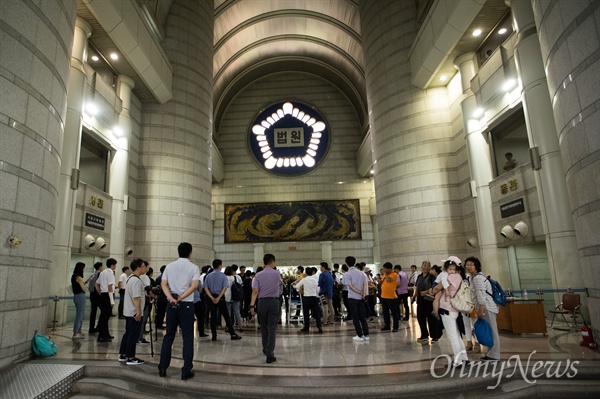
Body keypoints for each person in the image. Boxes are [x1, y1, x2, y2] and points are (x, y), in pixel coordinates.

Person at [158, 242, 200, 380]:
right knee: (187, 337)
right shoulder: (193, 267)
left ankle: (163, 368)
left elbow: (163, 284)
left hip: (172, 305)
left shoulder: (169, 266)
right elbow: (194, 286)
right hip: (186, 305)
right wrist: (181, 297)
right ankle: (186, 370)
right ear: (190, 252)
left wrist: (171, 298)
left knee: (168, 335)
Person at [435, 259, 469, 368]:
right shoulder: (459, 276)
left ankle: (457, 361)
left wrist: (433, 290)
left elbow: (436, 288)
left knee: (453, 337)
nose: (452, 271)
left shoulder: (449, 277)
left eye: (452, 269)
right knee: (457, 336)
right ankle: (464, 358)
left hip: (447, 309)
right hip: (454, 310)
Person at [466, 256, 500, 361]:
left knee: (492, 331)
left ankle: (494, 355)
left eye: (472, 264)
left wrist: (480, 309)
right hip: (485, 307)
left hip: (486, 308)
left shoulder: (477, 278)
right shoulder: (474, 277)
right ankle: (491, 353)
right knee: (489, 330)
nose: (469, 266)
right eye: (467, 264)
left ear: (477, 266)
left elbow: (481, 295)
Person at [250, 253, 283, 364]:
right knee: (272, 328)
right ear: (273, 262)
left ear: (264, 262)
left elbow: (255, 291)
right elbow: (279, 286)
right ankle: (270, 354)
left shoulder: (258, 275)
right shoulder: (277, 274)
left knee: (264, 327)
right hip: (274, 302)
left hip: (262, 302)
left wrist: (251, 305)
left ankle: (265, 349)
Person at [204, 259, 242, 341]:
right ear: (220, 266)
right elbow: (225, 287)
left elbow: (205, 287)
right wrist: (219, 297)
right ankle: (233, 334)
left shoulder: (208, 276)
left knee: (213, 317)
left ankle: (214, 336)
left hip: (211, 298)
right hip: (220, 297)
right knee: (226, 316)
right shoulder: (222, 276)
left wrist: (211, 297)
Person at [118, 258, 147, 365]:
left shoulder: (130, 278)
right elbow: (136, 297)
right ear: (139, 268)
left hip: (129, 311)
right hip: (134, 312)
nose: (145, 268)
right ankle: (131, 357)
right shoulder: (136, 281)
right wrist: (139, 312)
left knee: (128, 333)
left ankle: (123, 354)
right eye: (144, 266)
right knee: (133, 335)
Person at [342, 256, 369, 342]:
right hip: (361, 298)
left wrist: (359, 292)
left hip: (352, 298)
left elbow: (350, 286)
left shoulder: (347, 274)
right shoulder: (362, 273)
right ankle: (366, 334)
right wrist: (363, 293)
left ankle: (359, 335)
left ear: (346, 264)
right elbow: (365, 284)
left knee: (355, 317)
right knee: (362, 317)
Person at [414, 260, 438, 343]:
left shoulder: (432, 277)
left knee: (431, 318)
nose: (426, 267)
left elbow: (435, 288)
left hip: (429, 299)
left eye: (428, 265)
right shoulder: (419, 276)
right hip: (420, 299)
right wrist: (414, 296)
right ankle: (424, 334)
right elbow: (417, 287)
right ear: (421, 266)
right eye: (424, 265)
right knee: (420, 317)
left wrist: (426, 292)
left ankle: (434, 336)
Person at [295, 267, 323, 333]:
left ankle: (306, 327)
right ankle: (319, 327)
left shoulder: (304, 280)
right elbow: (318, 289)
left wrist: (299, 290)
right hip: (314, 298)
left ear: (306, 273)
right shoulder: (315, 280)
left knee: (306, 313)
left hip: (306, 298)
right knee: (316, 313)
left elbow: (297, 286)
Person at [96, 258, 117, 342]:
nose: (115, 266)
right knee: (105, 317)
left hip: (103, 295)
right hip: (108, 295)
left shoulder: (102, 272)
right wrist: (112, 300)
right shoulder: (110, 273)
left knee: (104, 316)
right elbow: (110, 287)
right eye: (115, 265)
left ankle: (106, 334)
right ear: (112, 265)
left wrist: (100, 292)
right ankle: (102, 335)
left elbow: (96, 284)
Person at [380, 262, 399, 332]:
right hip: (383, 296)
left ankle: (395, 326)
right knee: (385, 312)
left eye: (385, 269)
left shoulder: (394, 274)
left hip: (391, 297)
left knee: (394, 312)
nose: (384, 270)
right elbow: (382, 281)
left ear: (389, 269)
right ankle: (387, 325)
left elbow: (388, 279)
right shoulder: (385, 274)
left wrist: (385, 273)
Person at [224, 265, 243, 333]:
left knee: (228, 313)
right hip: (235, 296)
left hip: (226, 297)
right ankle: (240, 326)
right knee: (237, 312)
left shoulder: (224, 278)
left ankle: (228, 326)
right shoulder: (235, 278)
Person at [71, 262, 87, 340]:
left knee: (80, 314)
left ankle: (78, 331)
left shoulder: (74, 276)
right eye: (84, 268)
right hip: (80, 296)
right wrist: (85, 288)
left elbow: (81, 285)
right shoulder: (79, 277)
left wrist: (87, 281)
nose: (84, 269)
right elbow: (83, 288)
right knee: (80, 315)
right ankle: (76, 332)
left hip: (76, 296)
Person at [88, 262, 103, 334]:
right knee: (104, 311)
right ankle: (99, 327)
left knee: (93, 311)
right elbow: (98, 284)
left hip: (92, 294)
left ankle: (91, 327)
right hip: (97, 294)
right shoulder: (100, 274)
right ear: (100, 267)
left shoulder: (92, 275)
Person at [154, 265, 168, 330]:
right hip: (163, 297)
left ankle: (158, 323)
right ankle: (159, 324)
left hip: (160, 297)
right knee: (161, 312)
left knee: (159, 312)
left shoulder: (158, 278)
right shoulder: (164, 278)